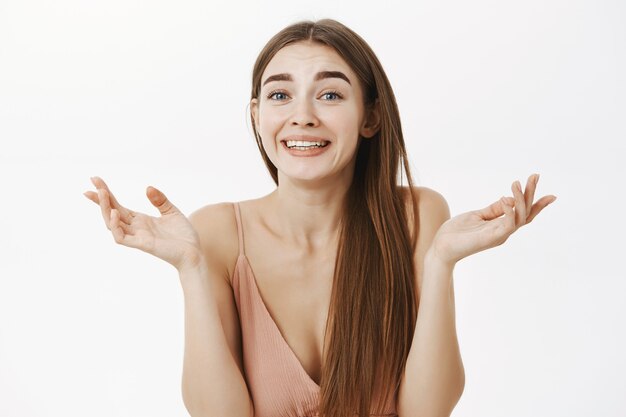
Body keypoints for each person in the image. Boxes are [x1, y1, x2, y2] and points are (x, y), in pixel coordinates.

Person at [83, 18, 556, 417]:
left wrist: (440, 264)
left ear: (370, 117)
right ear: (256, 115)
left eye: (330, 95)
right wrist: (191, 270)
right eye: (280, 96)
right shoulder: (218, 233)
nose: (302, 116)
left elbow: (427, 411)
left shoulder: (418, 215)